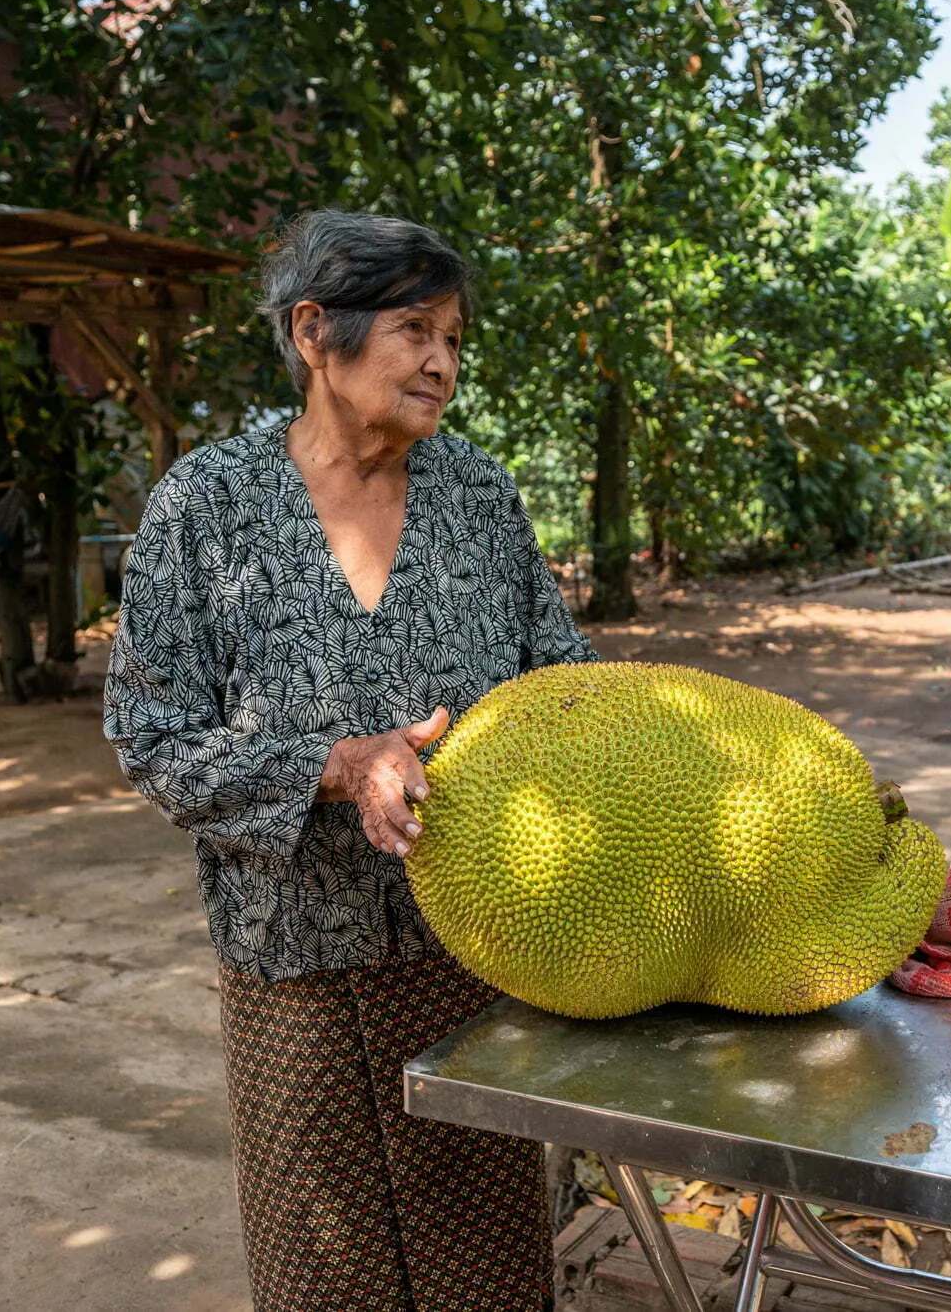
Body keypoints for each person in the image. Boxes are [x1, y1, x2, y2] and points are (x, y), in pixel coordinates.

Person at [104, 210, 597, 1311]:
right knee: (326, 1269)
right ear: (314, 331)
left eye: (454, 339)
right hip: (292, 964)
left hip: (471, 952)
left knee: (485, 1262)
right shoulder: (206, 507)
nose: (442, 363)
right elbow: (151, 733)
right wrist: (335, 765)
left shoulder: (477, 495)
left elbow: (562, 679)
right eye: (416, 329)